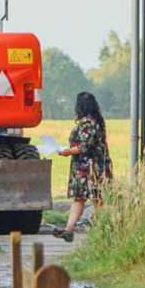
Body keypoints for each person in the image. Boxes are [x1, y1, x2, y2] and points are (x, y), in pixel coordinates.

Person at [53, 92, 113, 242]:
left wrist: (67, 151)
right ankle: (69, 230)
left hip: (89, 167)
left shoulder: (87, 122)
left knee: (93, 198)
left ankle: (103, 231)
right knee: (91, 198)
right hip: (93, 166)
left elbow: (84, 146)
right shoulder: (97, 120)